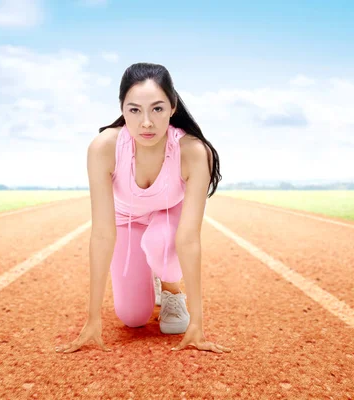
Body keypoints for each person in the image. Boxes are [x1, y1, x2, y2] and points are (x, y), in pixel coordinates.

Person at [55, 62, 231, 354]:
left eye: (157, 109)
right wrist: (92, 319)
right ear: (122, 109)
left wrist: (197, 324)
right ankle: (149, 273)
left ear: (173, 107)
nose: (146, 122)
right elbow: (102, 234)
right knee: (133, 318)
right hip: (127, 220)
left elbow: (188, 238)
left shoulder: (193, 151)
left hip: (168, 217)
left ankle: (172, 291)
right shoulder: (103, 148)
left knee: (161, 242)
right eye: (134, 110)